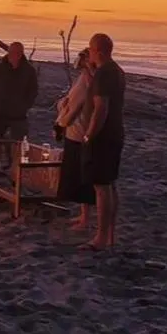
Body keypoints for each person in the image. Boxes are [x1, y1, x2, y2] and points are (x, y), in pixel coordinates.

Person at [81, 33, 126, 250]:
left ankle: (100, 238)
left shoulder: (105, 73)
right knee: (109, 184)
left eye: (90, 50)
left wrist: (89, 134)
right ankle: (109, 236)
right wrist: (88, 70)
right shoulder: (116, 71)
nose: (89, 53)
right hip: (115, 133)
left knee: (101, 187)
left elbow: (101, 108)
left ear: (98, 51)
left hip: (103, 136)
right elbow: (98, 92)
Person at [54, 48, 96, 227]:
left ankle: (85, 217)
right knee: (81, 175)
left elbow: (74, 108)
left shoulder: (87, 81)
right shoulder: (87, 79)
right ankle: (83, 215)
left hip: (78, 132)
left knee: (80, 176)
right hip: (79, 130)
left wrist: (61, 123)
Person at [0, 41, 39, 141]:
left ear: (20, 54)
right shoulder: (1, 68)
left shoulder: (29, 70)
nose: (11, 55)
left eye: (15, 53)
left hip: (19, 115)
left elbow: (33, 90)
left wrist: (25, 106)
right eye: (10, 52)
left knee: (18, 143)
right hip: (1, 112)